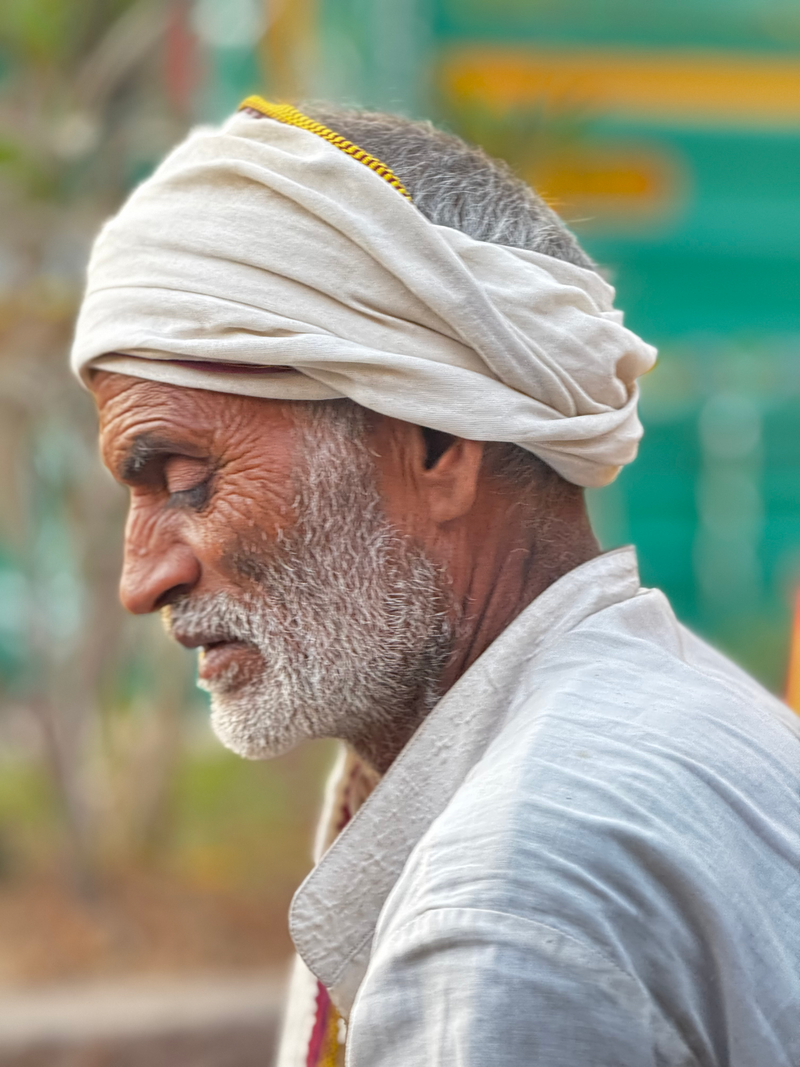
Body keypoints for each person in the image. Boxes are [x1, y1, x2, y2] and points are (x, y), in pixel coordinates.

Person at [70, 98, 800, 1067]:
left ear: (435, 442)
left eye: (186, 479)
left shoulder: (503, 911)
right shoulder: (684, 712)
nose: (143, 577)